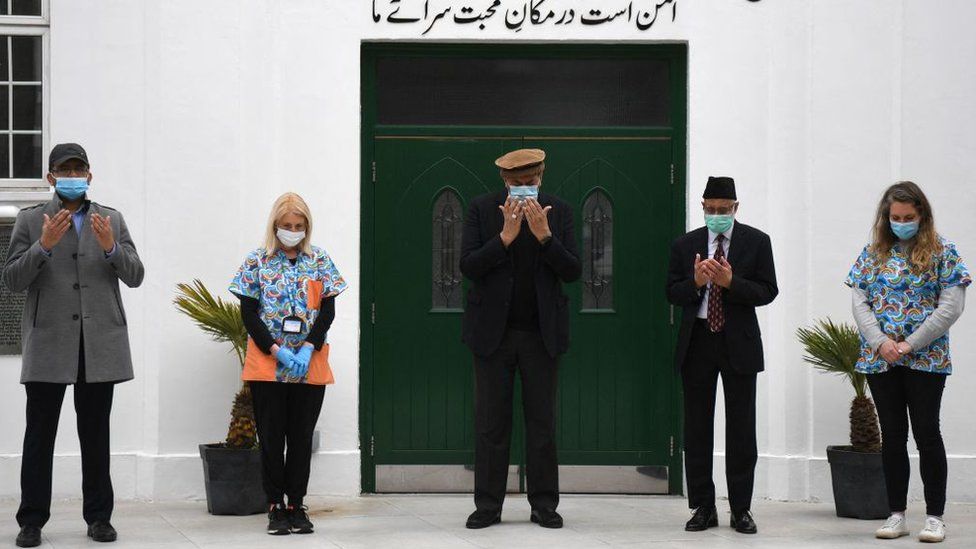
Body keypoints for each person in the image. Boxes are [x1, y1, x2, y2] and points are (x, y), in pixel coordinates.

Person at [2, 143, 145, 548]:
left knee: (96, 434)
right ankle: (31, 521)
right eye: (64, 169)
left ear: (89, 175)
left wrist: (111, 249)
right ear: (50, 177)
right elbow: (12, 280)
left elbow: (135, 275)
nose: (72, 175)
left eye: (78, 169)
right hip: (49, 341)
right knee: (39, 434)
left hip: (99, 344)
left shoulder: (111, 219)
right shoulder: (32, 221)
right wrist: (43, 245)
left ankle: (99, 518)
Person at [460, 149, 581, 530]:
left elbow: (574, 270)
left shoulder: (559, 211)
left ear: (541, 178)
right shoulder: (481, 210)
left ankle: (544, 504)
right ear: (504, 183)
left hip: (541, 335)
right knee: (491, 424)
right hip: (493, 335)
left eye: (531, 184)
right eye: (516, 185)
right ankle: (488, 505)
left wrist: (546, 238)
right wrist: (505, 238)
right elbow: (468, 266)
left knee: (541, 423)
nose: (524, 191)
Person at [847, 182, 969, 544]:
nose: (901, 223)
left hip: (926, 360)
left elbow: (951, 306)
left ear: (922, 215)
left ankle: (935, 517)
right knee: (893, 436)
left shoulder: (944, 252)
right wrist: (881, 343)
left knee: (927, 434)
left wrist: (909, 345)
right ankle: (896, 513)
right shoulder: (873, 253)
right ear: (886, 217)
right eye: (895, 217)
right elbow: (860, 300)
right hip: (880, 359)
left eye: (908, 218)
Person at [665, 176, 777, 535]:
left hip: (738, 341)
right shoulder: (686, 245)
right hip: (697, 342)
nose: (717, 215)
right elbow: (671, 292)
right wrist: (696, 283)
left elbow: (768, 291)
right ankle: (703, 507)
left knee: (741, 429)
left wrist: (731, 284)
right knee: (697, 428)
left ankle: (741, 509)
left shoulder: (757, 242)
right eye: (711, 209)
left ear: (735, 209)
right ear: (702, 207)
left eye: (723, 210)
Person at [229, 192, 346, 536]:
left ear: (306, 227)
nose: (292, 231)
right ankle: (274, 505)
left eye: (298, 226)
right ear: (275, 226)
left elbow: (327, 310)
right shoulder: (257, 261)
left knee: (300, 437)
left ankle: (296, 504)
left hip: (308, 364)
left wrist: (309, 347)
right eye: (286, 226)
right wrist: (276, 350)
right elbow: (248, 313)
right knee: (271, 436)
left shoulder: (319, 260)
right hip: (269, 363)